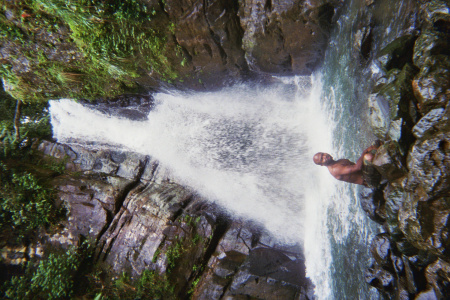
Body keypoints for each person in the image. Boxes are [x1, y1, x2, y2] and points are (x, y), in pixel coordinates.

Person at [313, 142, 381, 186]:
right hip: (369, 180)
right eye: (322, 159)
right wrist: (365, 152)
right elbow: (357, 167)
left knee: (376, 143)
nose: (325, 156)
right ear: (322, 165)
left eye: (323, 154)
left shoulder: (337, 162)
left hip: (365, 173)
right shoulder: (335, 169)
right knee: (368, 157)